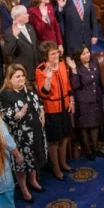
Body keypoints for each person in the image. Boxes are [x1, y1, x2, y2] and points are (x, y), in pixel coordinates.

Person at [0, 64, 46, 196]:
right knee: (22, 163)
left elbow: (38, 101)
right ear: (10, 79)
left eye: (23, 75)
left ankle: (33, 180)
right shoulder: (5, 94)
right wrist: (17, 115)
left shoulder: (29, 88)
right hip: (20, 136)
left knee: (34, 158)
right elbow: (3, 115)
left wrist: (42, 111)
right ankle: (24, 188)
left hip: (35, 131)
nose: (21, 78)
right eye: (17, 76)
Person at [36, 42, 73, 180]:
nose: (56, 55)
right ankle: (56, 168)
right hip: (52, 110)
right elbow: (43, 93)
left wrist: (71, 101)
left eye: (56, 52)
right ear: (46, 56)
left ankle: (63, 163)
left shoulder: (62, 64)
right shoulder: (41, 69)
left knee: (64, 136)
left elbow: (68, 84)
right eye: (52, 54)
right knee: (54, 141)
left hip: (65, 106)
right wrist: (47, 79)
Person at [69, 45, 104, 161]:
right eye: (84, 54)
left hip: (96, 98)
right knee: (84, 127)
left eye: (88, 52)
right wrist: (74, 70)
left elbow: (99, 80)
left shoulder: (94, 62)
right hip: (83, 101)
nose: (87, 55)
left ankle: (95, 148)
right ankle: (88, 151)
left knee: (95, 123)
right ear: (78, 56)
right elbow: (75, 86)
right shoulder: (76, 68)